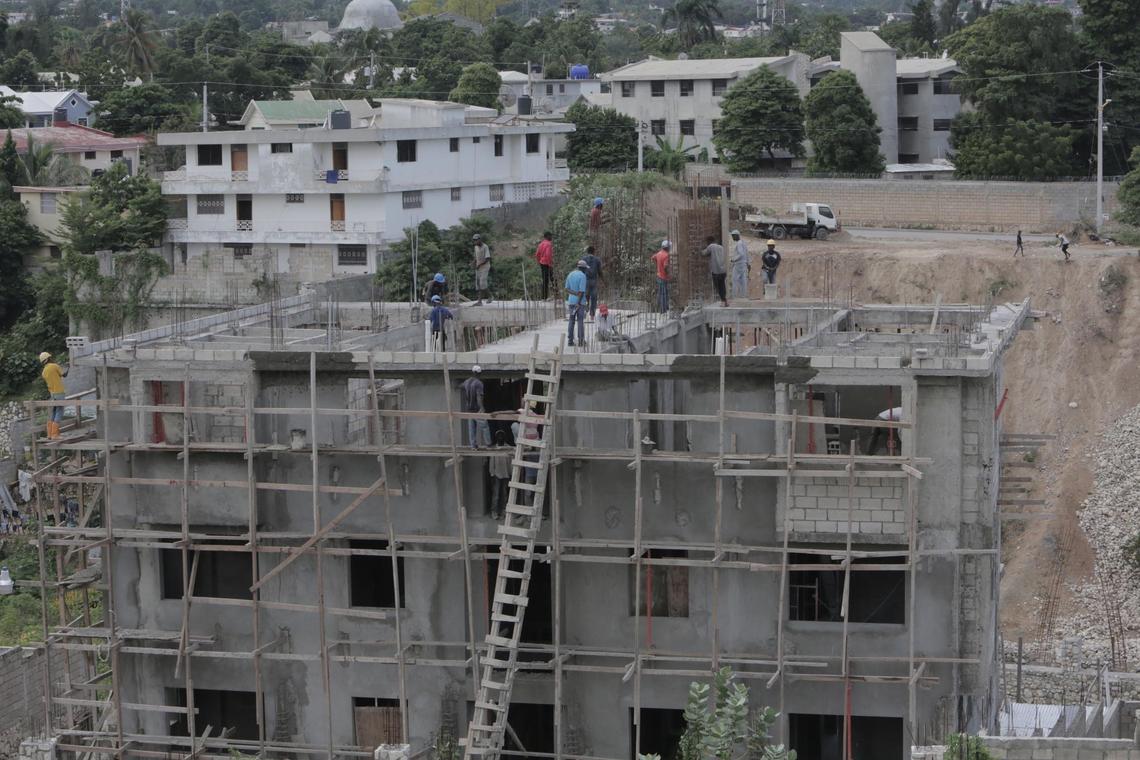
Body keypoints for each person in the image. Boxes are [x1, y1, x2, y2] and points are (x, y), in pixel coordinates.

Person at [460, 365, 491, 449]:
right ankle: (488, 444)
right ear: (479, 373)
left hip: (469, 409)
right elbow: (479, 396)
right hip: (477, 409)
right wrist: (481, 407)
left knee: (472, 428)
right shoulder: (479, 383)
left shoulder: (466, 382)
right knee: (485, 426)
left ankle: (473, 445)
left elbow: (461, 386)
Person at [39, 351, 66, 440]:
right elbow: (62, 374)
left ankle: (50, 434)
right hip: (59, 392)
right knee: (59, 411)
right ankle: (55, 435)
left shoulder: (43, 372)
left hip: (52, 394)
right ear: (47, 359)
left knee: (54, 412)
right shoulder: (54, 366)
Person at [488, 430, 512, 519]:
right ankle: (494, 511)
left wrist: (511, 473)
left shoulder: (508, 448)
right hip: (497, 474)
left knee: (504, 493)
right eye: (499, 436)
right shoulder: (494, 448)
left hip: (506, 474)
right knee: (496, 494)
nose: (500, 437)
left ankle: (503, 510)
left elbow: (510, 462)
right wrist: (492, 473)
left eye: (502, 436)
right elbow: (491, 462)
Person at [564, 259, 589, 347]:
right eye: (585, 268)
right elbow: (581, 291)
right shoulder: (582, 276)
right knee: (580, 321)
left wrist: (574, 293)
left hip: (571, 302)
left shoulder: (570, 274)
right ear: (583, 268)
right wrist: (578, 302)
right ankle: (581, 341)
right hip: (580, 302)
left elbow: (566, 289)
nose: (586, 270)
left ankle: (570, 341)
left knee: (571, 320)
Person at [700, 235, 727, 306]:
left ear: (709, 241)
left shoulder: (711, 246)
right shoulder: (721, 247)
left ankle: (723, 301)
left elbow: (704, 253)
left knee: (717, 287)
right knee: (722, 285)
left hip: (716, 271)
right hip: (723, 270)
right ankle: (724, 300)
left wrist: (700, 249)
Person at [582, 245, 603, 319]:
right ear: (594, 251)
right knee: (594, 298)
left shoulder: (583, 259)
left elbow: (581, 269)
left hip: (585, 280)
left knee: (585, 296)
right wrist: (603, 280)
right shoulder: (597, 260)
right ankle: (592, 315)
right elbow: (600, 271)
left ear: (587, 251)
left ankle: (585, 309)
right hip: (594, 281)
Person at [729, 230, 750, 299]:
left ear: (736, 235)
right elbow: (747, 254)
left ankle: (734, 296)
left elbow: (741, 254)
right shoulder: (743, 243)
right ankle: (743, 296)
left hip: (738, 264)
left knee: (734, 280)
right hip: (743, 264)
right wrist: (748, 263)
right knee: (743, 281)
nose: (732, 238)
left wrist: (733, 259)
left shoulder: (739, 244)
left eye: (733, 236)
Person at [652, 240, 671, 313]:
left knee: (660, 293)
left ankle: (661, 309)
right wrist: (668, 274)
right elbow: (666, 266)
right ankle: (664, 310)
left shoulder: (658, 253)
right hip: (664, 277)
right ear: (667, 248)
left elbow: (653, 258)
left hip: (659, 276)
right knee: (664, 294)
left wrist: (658, 265)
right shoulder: (666, 255)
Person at [472, 233, 492, 303]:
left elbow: (487, 258)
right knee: (478, 284)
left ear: (480, 239)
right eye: (474, 240)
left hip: (485, 267)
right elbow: (476, 257)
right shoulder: (475, 247)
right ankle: (479, 301)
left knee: (482, 283)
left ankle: (490, 296)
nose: (475, 242)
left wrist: (479, 264)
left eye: (476, 240)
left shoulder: (485, 247)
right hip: (478, 267)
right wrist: (473, 263)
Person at [534, 231, 555, 300]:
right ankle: (557, 295)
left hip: (542, 264)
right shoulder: (549, 244)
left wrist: (539, 261)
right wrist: (550, 264)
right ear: (547, 236)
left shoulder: (541, 244)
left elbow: (537, 254)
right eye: (550, 236)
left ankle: (544, 297)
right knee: (553, 279)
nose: (551, 237)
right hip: (547, 264)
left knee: (545, 280)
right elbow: (548, 254)